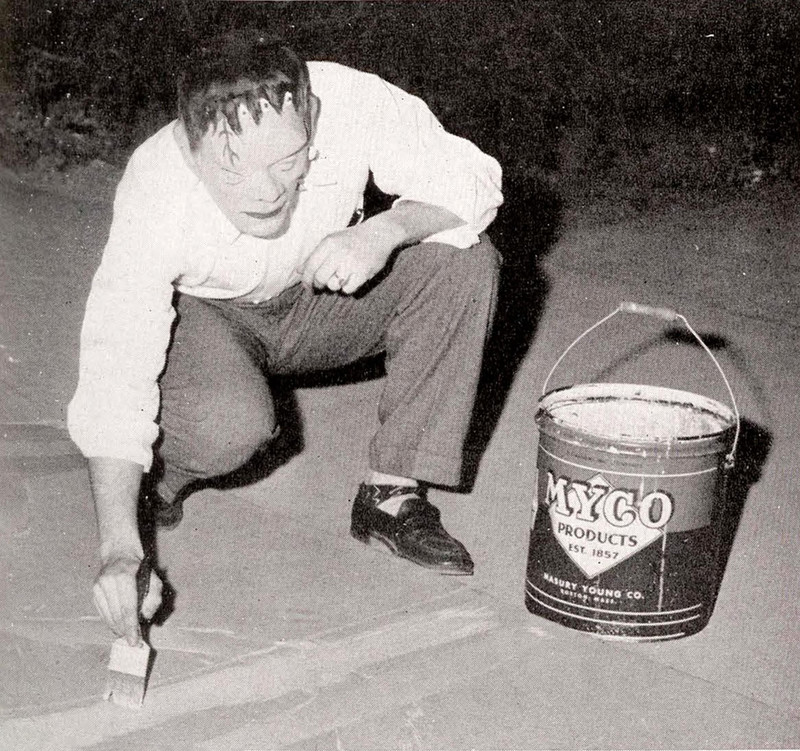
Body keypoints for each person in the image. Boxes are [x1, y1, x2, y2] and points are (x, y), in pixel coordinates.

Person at [67, 29, 503, 646]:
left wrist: (383, 231)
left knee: (464, 261)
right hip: (210, 314)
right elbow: (116, 361)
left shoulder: (350, 100)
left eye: (286, 159)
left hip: (316, 293)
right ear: (190, 149)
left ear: (312, 116)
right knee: (232, 425)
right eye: (232, 168)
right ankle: (159, 479)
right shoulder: (156, 185)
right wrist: (118, 548)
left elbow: (474, 177)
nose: (266, 190)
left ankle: (391, 494)